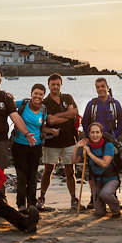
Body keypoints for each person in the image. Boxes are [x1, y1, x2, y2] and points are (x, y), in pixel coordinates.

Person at [12, 84, 59, 211]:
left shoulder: (44, 109)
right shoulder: (22, 104)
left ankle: (31, 203)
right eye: (35, 93)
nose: (37, 96)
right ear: (31, 93)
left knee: (32, 176)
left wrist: (51, 131)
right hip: (19, 145)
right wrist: (8, 97)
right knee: (21, 177)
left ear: (43, 96)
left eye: (40, 94)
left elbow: (41, 128)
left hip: (36, 146)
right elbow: (8, 106)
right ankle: (21, 204)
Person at [38, 73, 82, 210]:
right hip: (52, 142)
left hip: (70, 140)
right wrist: (66, 116)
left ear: (61, 84)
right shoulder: (44, 103)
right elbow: (49, 121)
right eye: (53, 84)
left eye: (58, 84)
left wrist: (58, 117)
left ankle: (73, 199)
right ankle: (42, 197)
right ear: (49, 85)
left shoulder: (67, 97)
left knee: (70, 172)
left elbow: (75, 113)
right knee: (48, 171)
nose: (55, 87)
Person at [81, 77, 122, 209]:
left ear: (107, 87)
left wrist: (114, 136)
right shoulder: (92, 104)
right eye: (98, 87)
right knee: (92, 167)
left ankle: (113, 195)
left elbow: (121, 122)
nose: (100, 89)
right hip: (95, 139)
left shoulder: (115, 104)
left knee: (113, 165)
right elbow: (85, 121)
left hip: (110, 140)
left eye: (102, 86)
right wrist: (90, 135)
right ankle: (92, 197)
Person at [71, 122, 121, 218]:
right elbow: (74, 160)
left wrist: (89, 154)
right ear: (89, 134)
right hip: (96, 180)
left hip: (111, 179)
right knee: (99, 213)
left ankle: (116, 209)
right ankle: (104, 205)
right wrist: (77, 147)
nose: (95, 135)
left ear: (101, 133)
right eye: (92, 132)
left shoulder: (108, 145)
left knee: (105, 194)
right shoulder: (88, 146)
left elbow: (104, 163)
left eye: (97, 132)